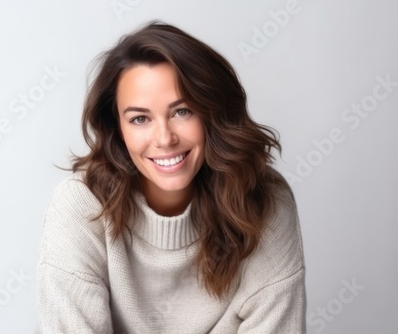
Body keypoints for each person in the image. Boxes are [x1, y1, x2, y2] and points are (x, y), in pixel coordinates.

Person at [36, 21, 306, 333]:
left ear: (212, 113)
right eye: (140, 119)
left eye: (182, 111)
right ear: (118, 130)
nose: (164, 138)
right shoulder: (80, 206)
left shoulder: (264, 200)